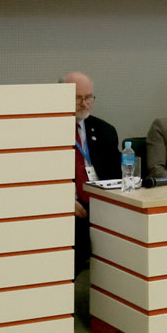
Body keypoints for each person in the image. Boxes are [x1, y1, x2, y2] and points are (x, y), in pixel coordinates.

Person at [67, 71, 119, 274]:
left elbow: (117, 175)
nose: (85, 104)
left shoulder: (105, 130)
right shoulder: (46, 131)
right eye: (78, 98)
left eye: (89, 97)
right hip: (71, 207)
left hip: (101, 205)